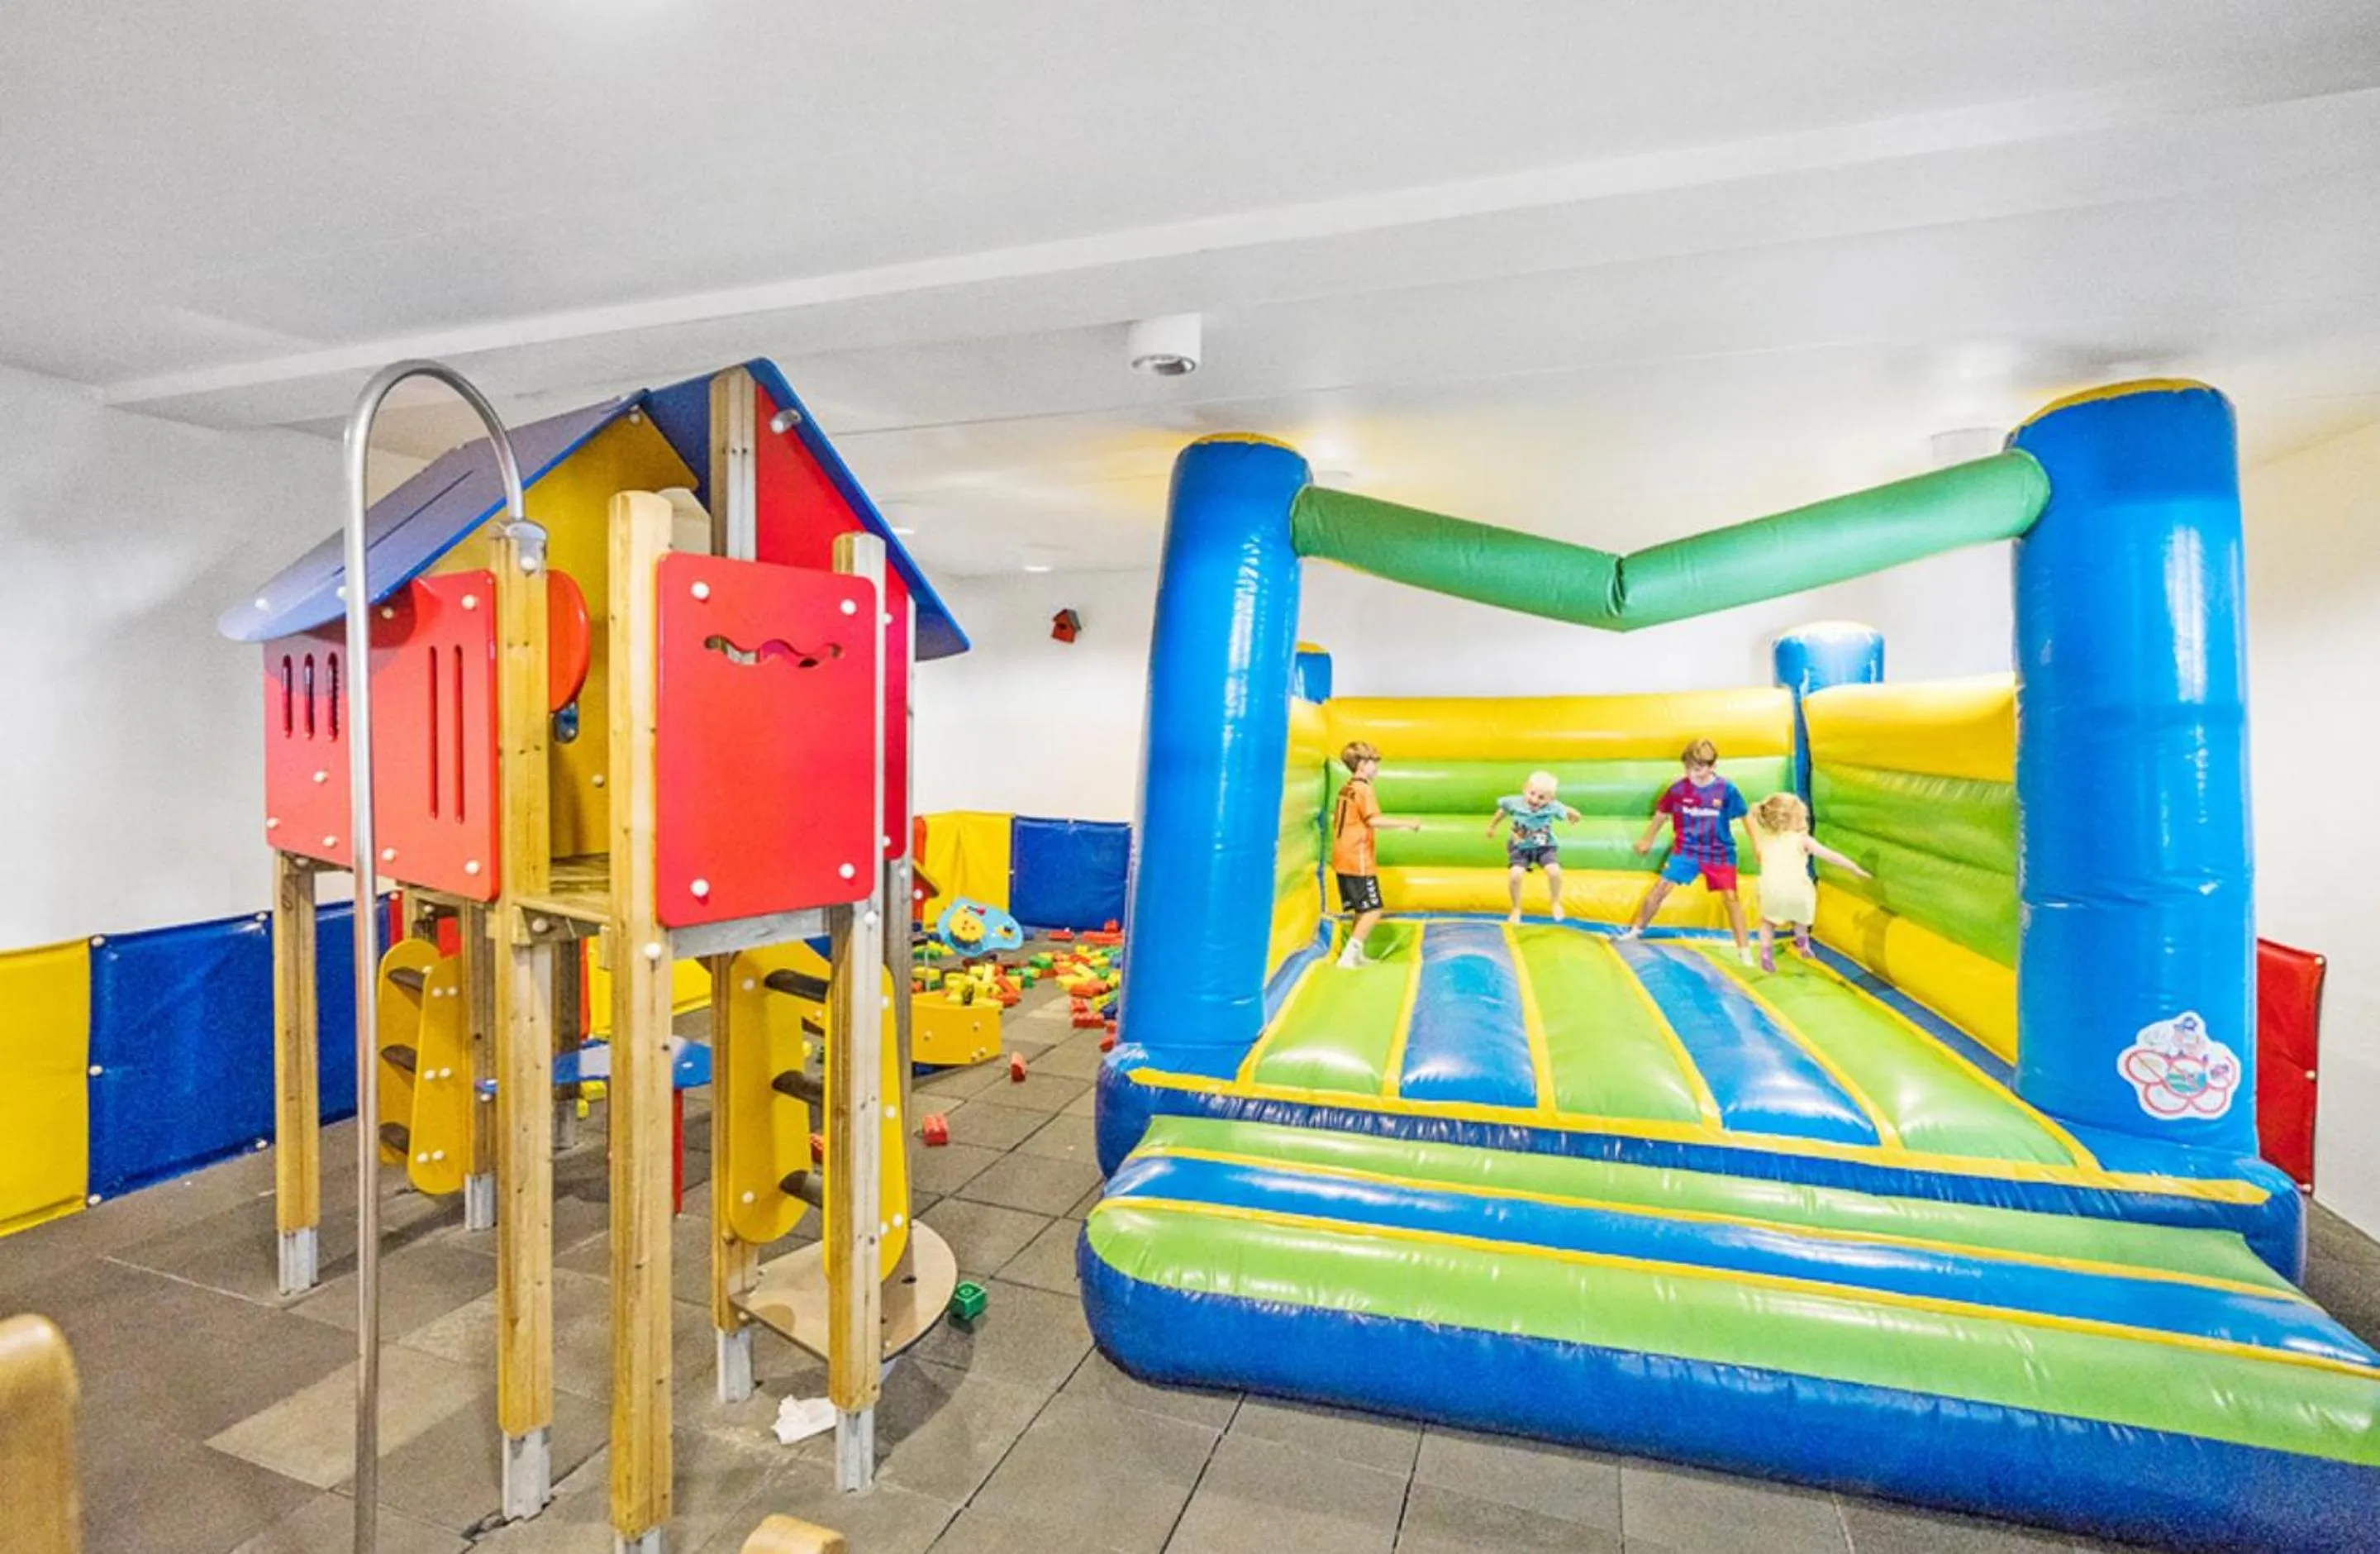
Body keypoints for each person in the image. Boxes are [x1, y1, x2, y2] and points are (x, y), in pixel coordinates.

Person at [1621, 738, 1754, 962]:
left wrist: (1757, 845)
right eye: (1688, 768)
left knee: (1731, 898)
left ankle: (1744, 950)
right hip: (1687, 850)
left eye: (1699, 769)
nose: (1692, 773)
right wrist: (1647, 839)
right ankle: (1635, 931)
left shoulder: (1726, 789)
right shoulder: (1678, 789)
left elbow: (1745, 816)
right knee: (1660, 889)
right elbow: (1661, 815)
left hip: (1719, 852)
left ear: (1713, 766)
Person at [1745, 793, 1871, 971]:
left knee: (1767, 923)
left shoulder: (1767, 840)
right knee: (1801, 919)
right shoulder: (1802, 841)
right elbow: (1830, 856)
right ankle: (1803, 944)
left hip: (1772, 891)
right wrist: (1854, 868)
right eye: (1802, 817)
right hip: (1797, 891)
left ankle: (1766, 953)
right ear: (1793, 820)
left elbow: (1751, 821)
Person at [1330, 741, 1421, 967]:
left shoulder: (1347, 787)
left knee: (1362, 909)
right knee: (1373, 910)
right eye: (1373, 762)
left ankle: (1355, 954)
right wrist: (1406, 823)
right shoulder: (1364, 788)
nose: (1377, 768)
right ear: (1362, 764)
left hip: (1342, 856)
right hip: (1357, 858)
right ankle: (1348, 956)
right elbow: (1374, 820)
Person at [1486, 771, 1583, 922]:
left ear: (1550, 799)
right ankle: (1516, 907)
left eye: (1541, 797)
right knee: (1515, 875)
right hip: (1520, 848)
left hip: (1545, 847)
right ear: (1525, 789)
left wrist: (1575, 815)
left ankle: (1555, 901)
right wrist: (1492, 827)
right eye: (1532, 794)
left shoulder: (1552, 806)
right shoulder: (1514, 802)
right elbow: (1502, 812)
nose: (1535, 800)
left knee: (1555, 872)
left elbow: (1565, 809)